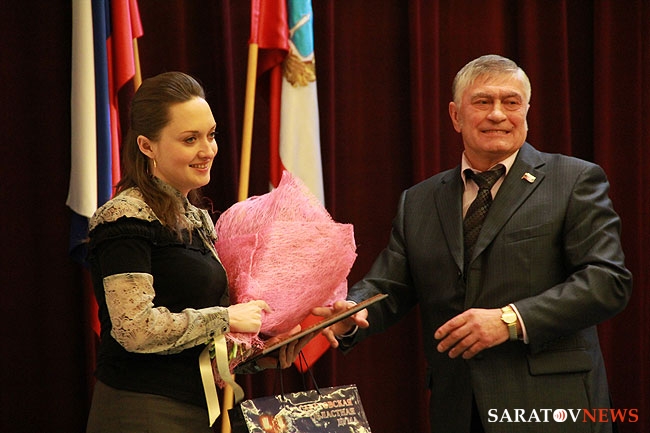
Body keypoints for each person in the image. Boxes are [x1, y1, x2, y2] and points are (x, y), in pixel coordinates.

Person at [316, 55, 632, 433]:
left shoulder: (574, 180)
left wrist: (510, 320)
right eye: (482, 102)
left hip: (552, 406)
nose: (498, 114)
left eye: (511, 102)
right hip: (458, 408)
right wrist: (352, 313)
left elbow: (607, 281)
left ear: (526, 112)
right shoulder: (420, 200)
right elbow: (389, 285)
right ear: (455, 116)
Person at [85, 71, 304, 433]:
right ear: (146, 146)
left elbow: (197, 344)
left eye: (211, 135)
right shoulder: (123, 217)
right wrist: (226, 318)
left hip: (197, 411)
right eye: (190, 139)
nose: (208, 150)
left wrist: (262, 354)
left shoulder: (196, 218)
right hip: (140, 411)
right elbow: (134, 329)